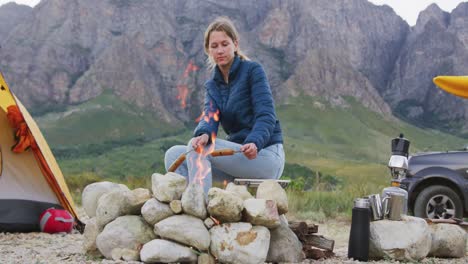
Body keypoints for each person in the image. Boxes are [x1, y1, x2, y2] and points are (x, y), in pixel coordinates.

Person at [164, 17, 284, 193]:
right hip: (236, 159)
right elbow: (209, 116)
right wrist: (204, 133)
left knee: (197, 148)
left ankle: (199, 206)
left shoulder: (253, 71)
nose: (220, 50)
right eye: (214, 46)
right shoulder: (212, 85)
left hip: (263, 155)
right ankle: (186, 205)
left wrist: (255, 142)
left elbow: (266, 115)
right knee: (174, 154)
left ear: (235, 44)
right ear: (208, 50)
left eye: (224, 44)